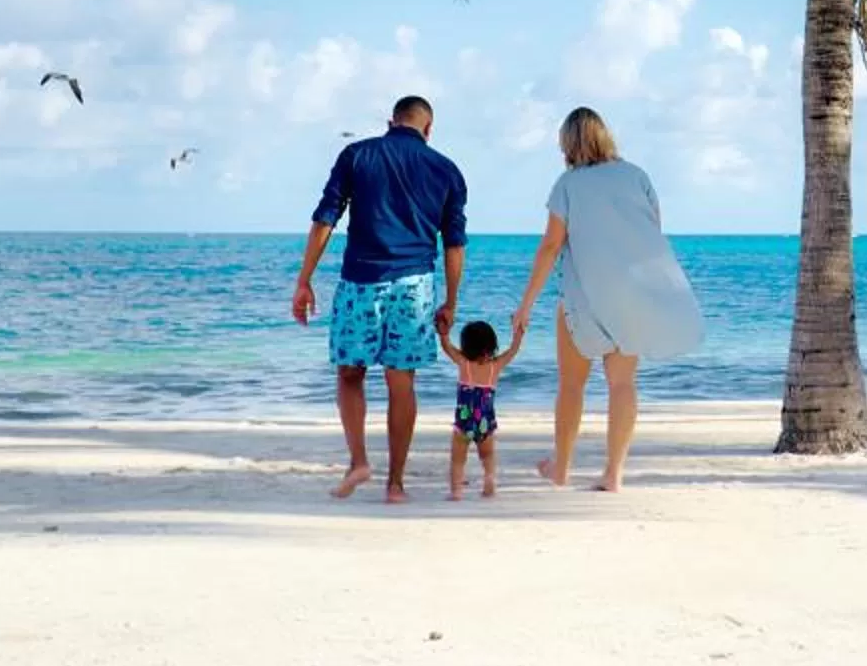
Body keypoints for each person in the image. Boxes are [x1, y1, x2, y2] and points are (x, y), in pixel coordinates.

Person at [513, 106, 703, 492]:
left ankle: (562, 470)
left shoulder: (567, 185)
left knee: (571, 386)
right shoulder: (637, 177)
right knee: (622, 384)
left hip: (583, 299)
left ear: (568, 142)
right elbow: (651, 233)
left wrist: (526, 303)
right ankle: (613, 473)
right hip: (632, 296)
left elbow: (551, 246)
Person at [290, 94, 468, 503]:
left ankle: (359, 461)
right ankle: (396, 485)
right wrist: (451, 302)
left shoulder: (356, 155)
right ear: (428, 129)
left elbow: (324, 219)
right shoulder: (446, 170)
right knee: (400, 380)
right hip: (415, 285)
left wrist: (304, 279)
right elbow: (454, 245)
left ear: (391, 122)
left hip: (360, 281)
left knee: (350, 373)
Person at [434, 314, 520, 500]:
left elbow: (447, 348)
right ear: (492, 345)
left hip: (464, 419)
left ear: (466, 346)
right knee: (487, 455)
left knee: (458, 459)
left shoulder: (464, 363)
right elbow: (513, 351)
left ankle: (456, 491)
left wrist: (443, 333)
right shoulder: (495, 366)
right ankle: (489, 481)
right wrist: (517, 334)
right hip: (485, 420)